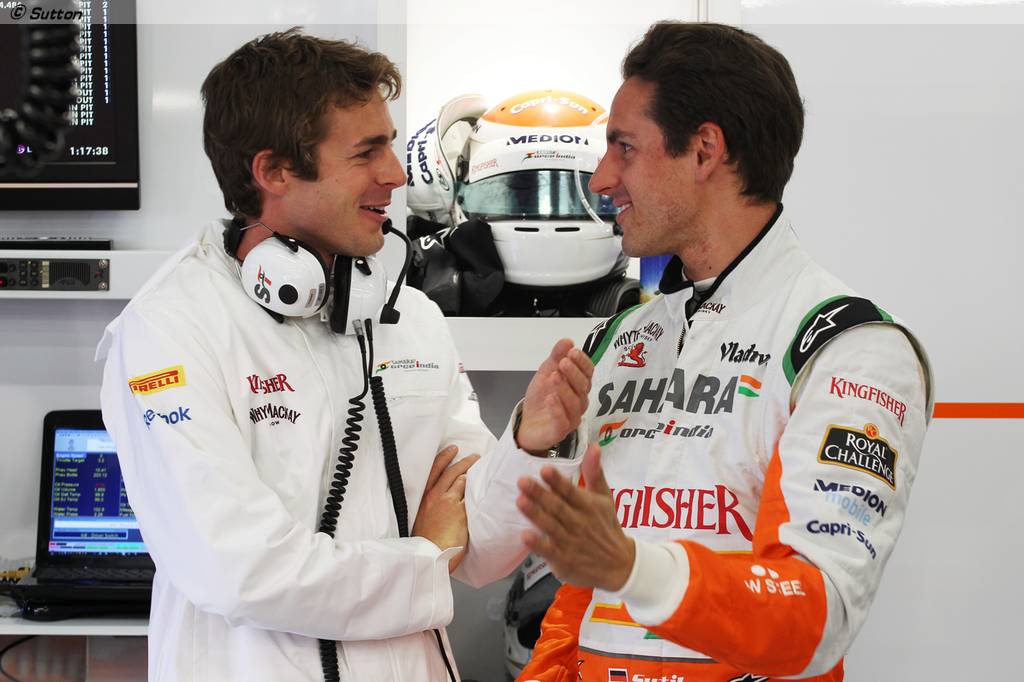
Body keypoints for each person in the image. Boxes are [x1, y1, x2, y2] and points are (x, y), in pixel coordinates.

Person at [96, 29, 591, 682]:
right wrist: (424, 555)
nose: (396, 174)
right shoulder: (170, 329)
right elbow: (240, 570)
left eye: (391, 144)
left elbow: (480, 551)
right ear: (274, 171)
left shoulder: (409, 316)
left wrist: (530, 446)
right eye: (367, 152)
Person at [515, 21, 933, 682]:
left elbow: (816, 615)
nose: (600, 179)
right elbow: (578, 599)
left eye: (624, 147)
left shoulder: (849, 346)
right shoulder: (619, 338)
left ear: (705, 150)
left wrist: (633, 567)